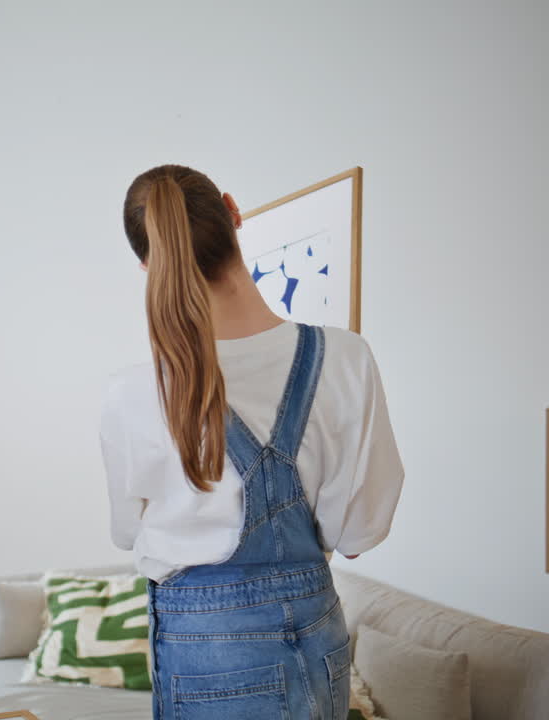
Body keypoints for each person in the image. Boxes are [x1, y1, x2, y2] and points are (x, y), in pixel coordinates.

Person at [100, 164, 404, 719]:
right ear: (234, 213)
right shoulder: (346, 358)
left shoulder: (133, 392)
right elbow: (358, 535)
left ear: (149, 263)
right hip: (319, 636)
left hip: (206, 648)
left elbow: (128, 534)